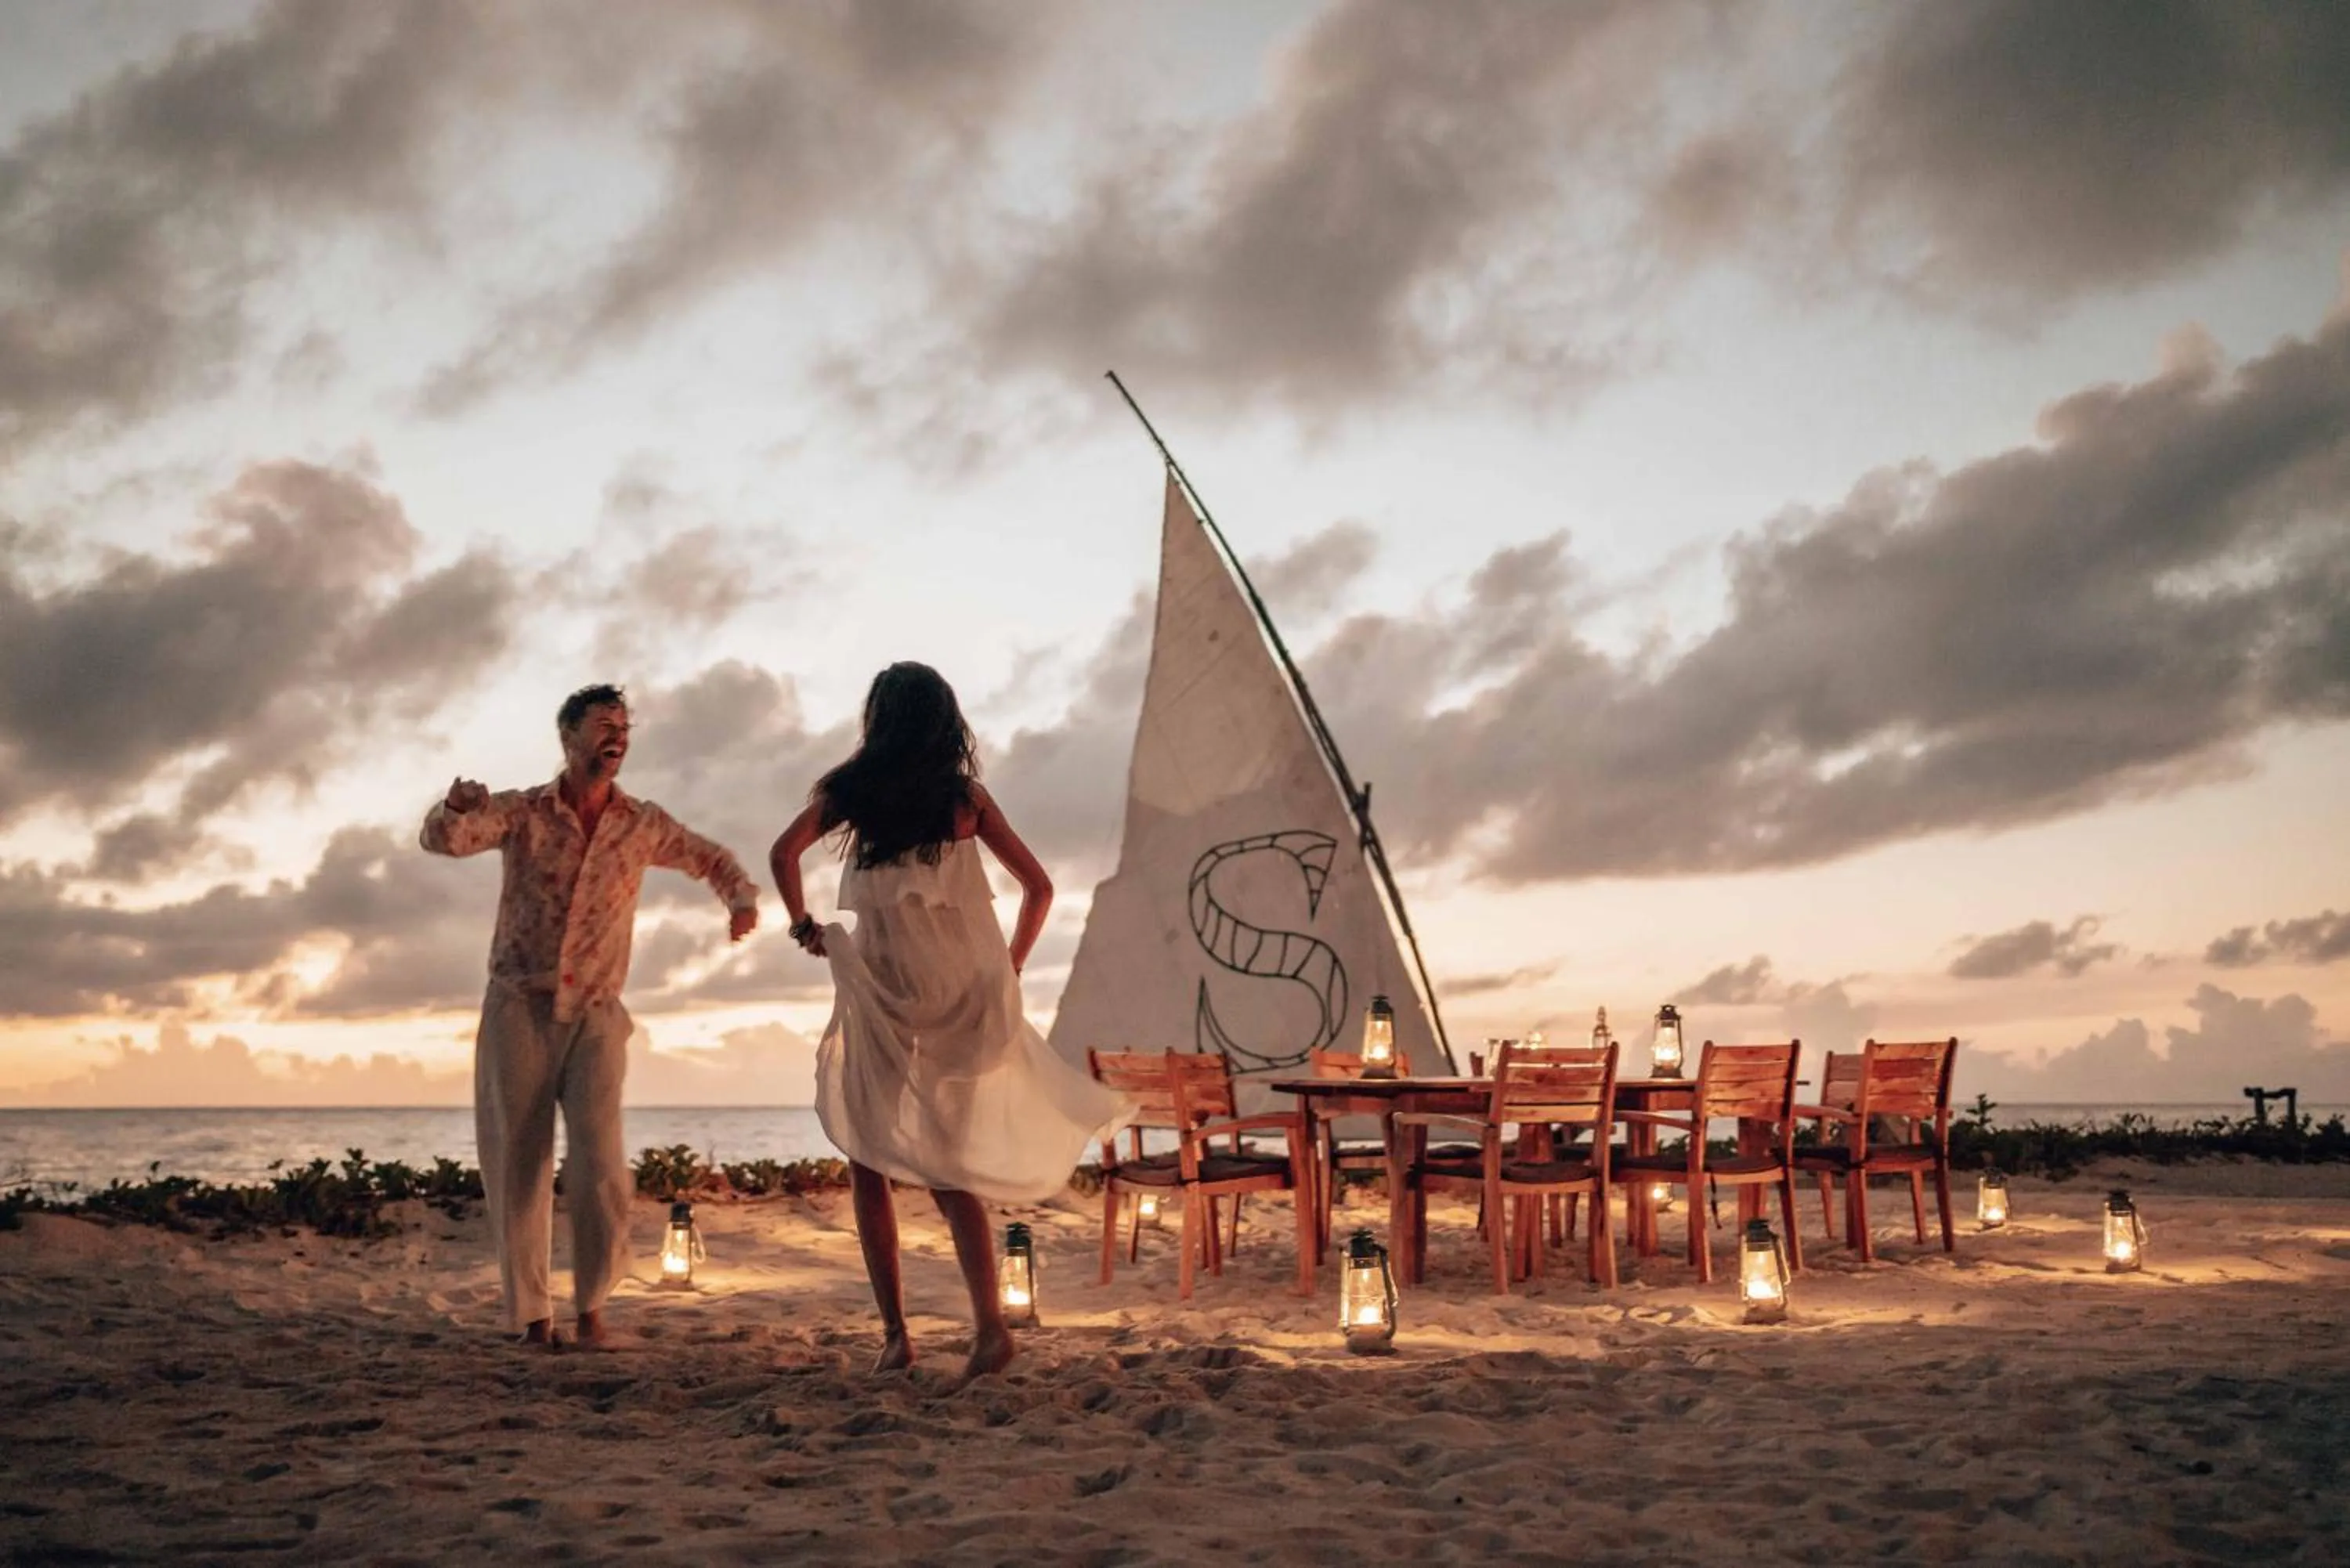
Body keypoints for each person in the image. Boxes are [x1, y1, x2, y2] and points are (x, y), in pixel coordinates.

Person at [770, 662, 1130, 1381]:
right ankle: (990, 1329)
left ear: (879, 719)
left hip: (883, 986)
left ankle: (898, 1336)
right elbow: (1040, 888)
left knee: (869, 1156)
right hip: (962, 989)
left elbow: (784, 854)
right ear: (945, 721)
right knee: (950, 1164)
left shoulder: (851, 792)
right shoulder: (965, 799)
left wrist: (805, 925)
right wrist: (1013, 965)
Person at [422, 683, 759, 1349]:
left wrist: (740, 899)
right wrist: (454, 806)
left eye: (625, 727)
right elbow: (450, 839)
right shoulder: (523, 811)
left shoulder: (641, 822)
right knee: (517, 1162)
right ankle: (532, 1318)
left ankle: (593, 1311)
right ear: (570, 737)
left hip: (598, 1011)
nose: (619, 736)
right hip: (520, 1002)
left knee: (600, 1162)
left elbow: (711, 858)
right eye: (605, 725)